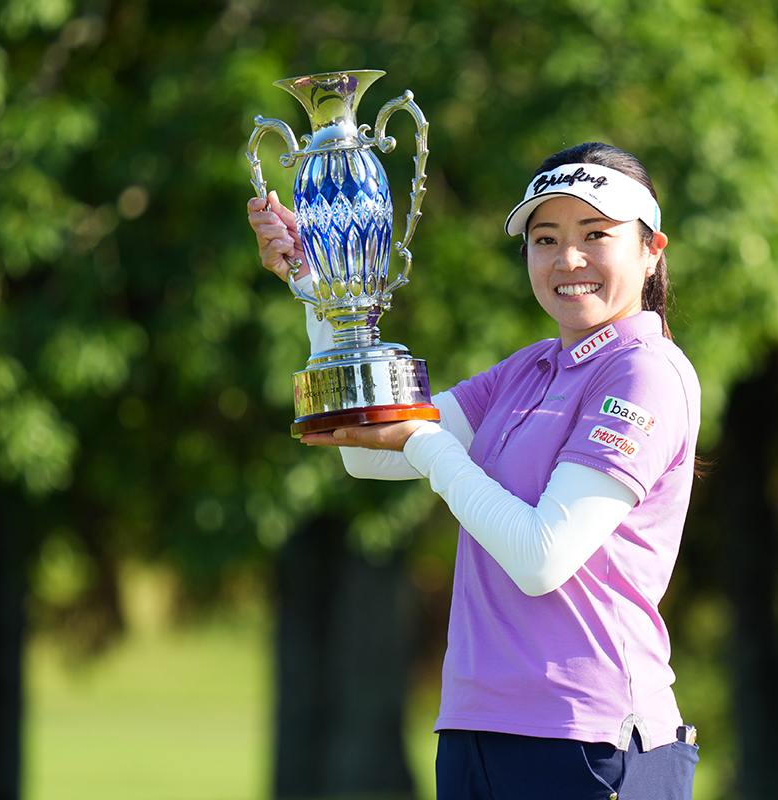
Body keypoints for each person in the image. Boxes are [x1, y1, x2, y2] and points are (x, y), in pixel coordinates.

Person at [248, 142, 701, 800]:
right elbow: (368, 450)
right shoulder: (530, 369)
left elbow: (543, 556)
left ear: (651, 249)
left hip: (592, 738)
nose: (568, 259)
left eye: (595, 234)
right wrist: (323, 290)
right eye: (545, 239)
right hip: (476, 732)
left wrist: (427, 444)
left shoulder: (645, 371)